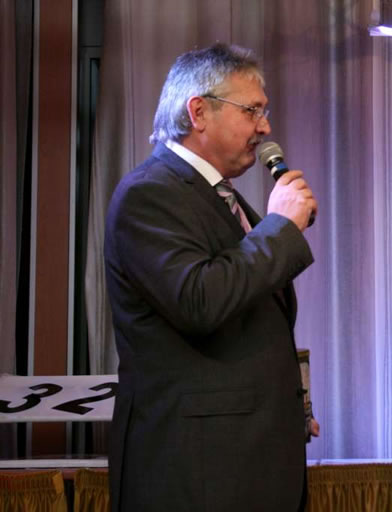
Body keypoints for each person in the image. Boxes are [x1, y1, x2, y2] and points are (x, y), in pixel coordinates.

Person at [104, 43, 318, 511]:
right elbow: (199, 300)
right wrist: (280, 229)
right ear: (198, 112)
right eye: (252, 111)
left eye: (264, 112)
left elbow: (248, 319)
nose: (265, 127)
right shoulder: (149, 193)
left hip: (246, 461)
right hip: (195, 471)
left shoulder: (221, 196)